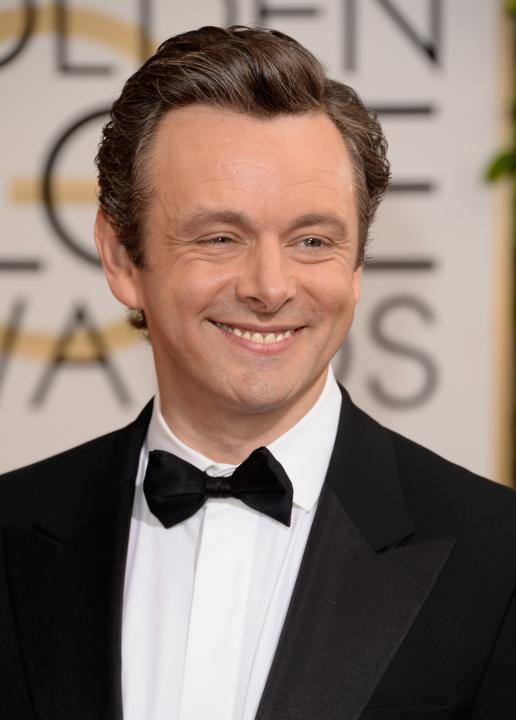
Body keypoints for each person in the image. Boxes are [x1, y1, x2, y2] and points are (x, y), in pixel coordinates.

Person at [0, 25, 515, 720]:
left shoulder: (499, 558)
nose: (270, 288)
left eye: (312, 240)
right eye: (220, 238)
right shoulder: (11, 532)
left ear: (357, 264)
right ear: (122, 258)